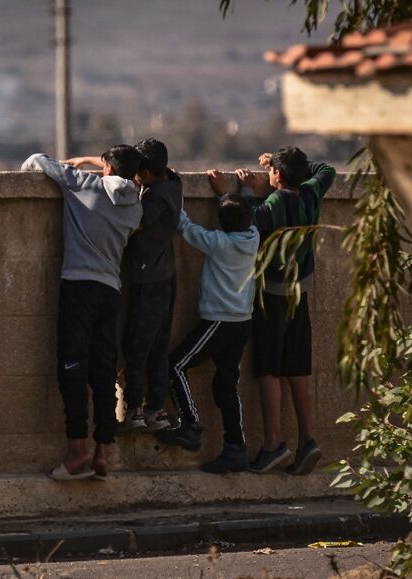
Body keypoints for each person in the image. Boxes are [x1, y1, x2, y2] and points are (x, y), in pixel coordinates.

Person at [207, 146, 335, 475]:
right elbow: (327, 171)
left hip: (271, 296)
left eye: (273, 170)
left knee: (269, 369)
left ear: (276, 175)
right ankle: (308, 439)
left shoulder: (275, 204)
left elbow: (243, 222)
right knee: (299, 368)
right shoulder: (311, 193)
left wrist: (231, 193)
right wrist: (283, 167)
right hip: (299, 293)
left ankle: (273, 443)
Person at [21, 146, 143, 481]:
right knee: (103, 375)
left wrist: (78, 166)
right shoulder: (136, 207)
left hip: (78, 288)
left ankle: (77, 452)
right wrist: (96, 165)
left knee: (71, 370)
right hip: (110, 291)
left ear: (105, 168)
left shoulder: (82, 184)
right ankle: (103, 451)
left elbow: (35, 161)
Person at [156, 194, 260, 474]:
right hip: (241, 320)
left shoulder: (220, 244)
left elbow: (187, 228)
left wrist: (172, 192)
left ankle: (190, 424)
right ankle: (236, 449)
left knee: (174, 365)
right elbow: (246, 212)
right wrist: (228, 195)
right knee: (226, 385)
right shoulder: (254, 236)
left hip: (219, 321)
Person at [120, 138, 183, 432]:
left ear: (143, 173)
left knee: (138, 346)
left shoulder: (153, 199)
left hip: (149, 280)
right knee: (158, 346)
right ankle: (155, 410)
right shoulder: (173, 183)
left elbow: (134, 223)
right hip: (165, 276)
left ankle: (135, 409)